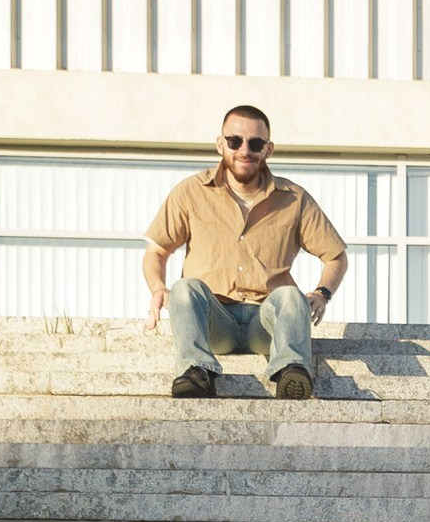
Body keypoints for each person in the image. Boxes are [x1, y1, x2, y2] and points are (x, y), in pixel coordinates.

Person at [141, 105, 347, 399]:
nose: (244, 150)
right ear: (220, 143)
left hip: (266, 322)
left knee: (291, 295)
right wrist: (157, 287)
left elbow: (335, 255)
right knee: (185, 288)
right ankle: (195, 372)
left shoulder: (294, 199)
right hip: (215, 321)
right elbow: (157, 250)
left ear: (269, 149)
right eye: (235, 141)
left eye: (255, 143)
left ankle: (291, 371)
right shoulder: (190, 192)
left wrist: (322, 293)